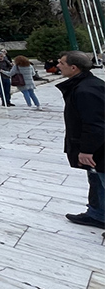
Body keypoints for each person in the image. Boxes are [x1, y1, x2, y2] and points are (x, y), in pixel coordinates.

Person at [56, 51, 105, 229]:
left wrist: (86, 150)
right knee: (96, 181)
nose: (58, 65)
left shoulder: (86, 90)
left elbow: (95, 124)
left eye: (61, 62)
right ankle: (97, 214)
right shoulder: (84, 85)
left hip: (98, 149)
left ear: (74, 67)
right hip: (97, 148)